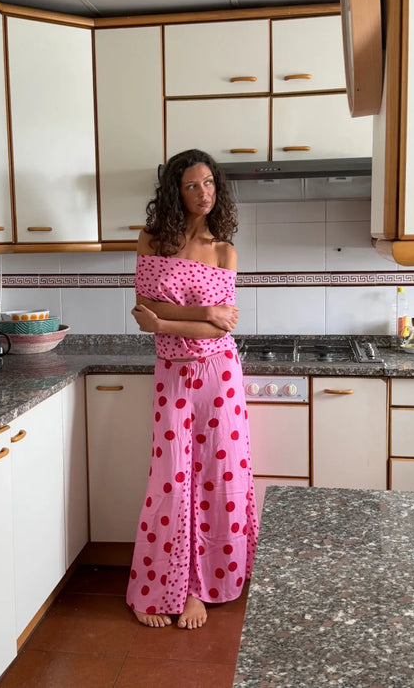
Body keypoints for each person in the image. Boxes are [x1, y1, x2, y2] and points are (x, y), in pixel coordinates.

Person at [126, 148, 259, 629]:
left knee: (219, 477)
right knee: (171, 478)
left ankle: (200, 589)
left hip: (219, 375)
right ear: (174, 192)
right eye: (191, 185)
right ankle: (165, 586)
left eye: (209, 184)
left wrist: (166, 322)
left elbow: (219, 329)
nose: (203, 193)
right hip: (172, 373)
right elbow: (145, 309)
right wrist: (202, 312)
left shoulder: (224, 251)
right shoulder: (151, 240)